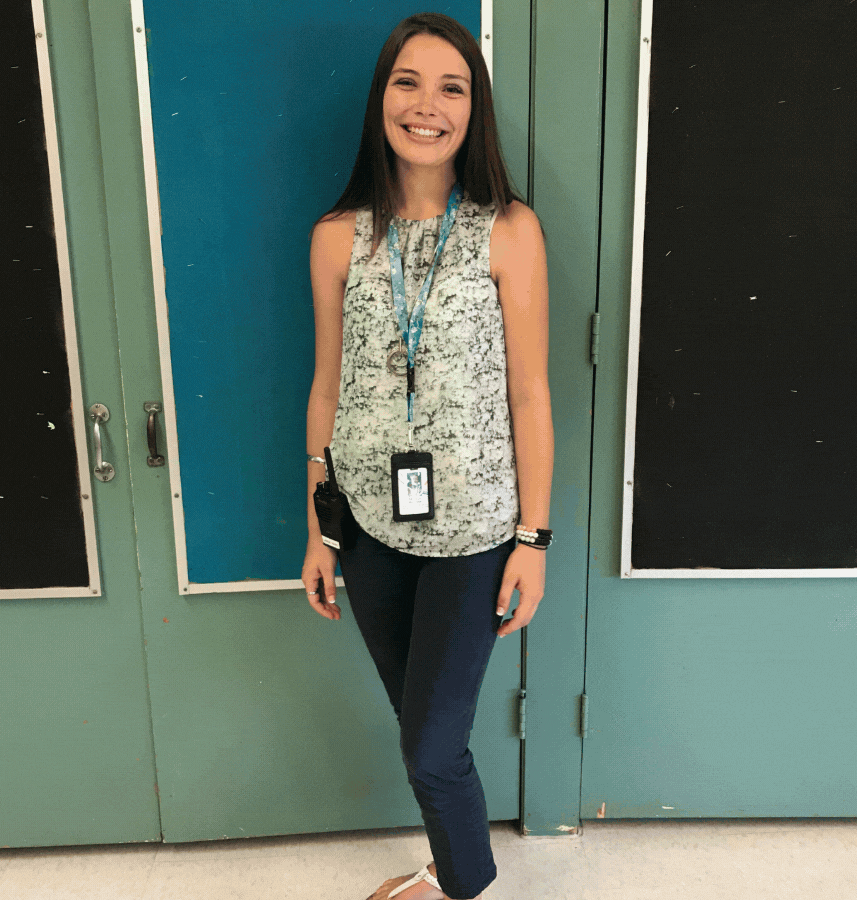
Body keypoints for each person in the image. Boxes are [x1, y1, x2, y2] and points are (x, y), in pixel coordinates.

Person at [301, 12, 553, 900]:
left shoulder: (508, 230)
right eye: (408, 82)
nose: (427, 105)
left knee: (431, 744)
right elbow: (326, 393)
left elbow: (530, 395)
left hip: (478, 530)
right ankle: (458, 871)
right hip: (369, 526)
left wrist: (534, 538)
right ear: (382, 99)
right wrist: (320, 536)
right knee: (422, 728)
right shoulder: (338, 236)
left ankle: (464, 889)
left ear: (473, 108)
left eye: (452, 87)